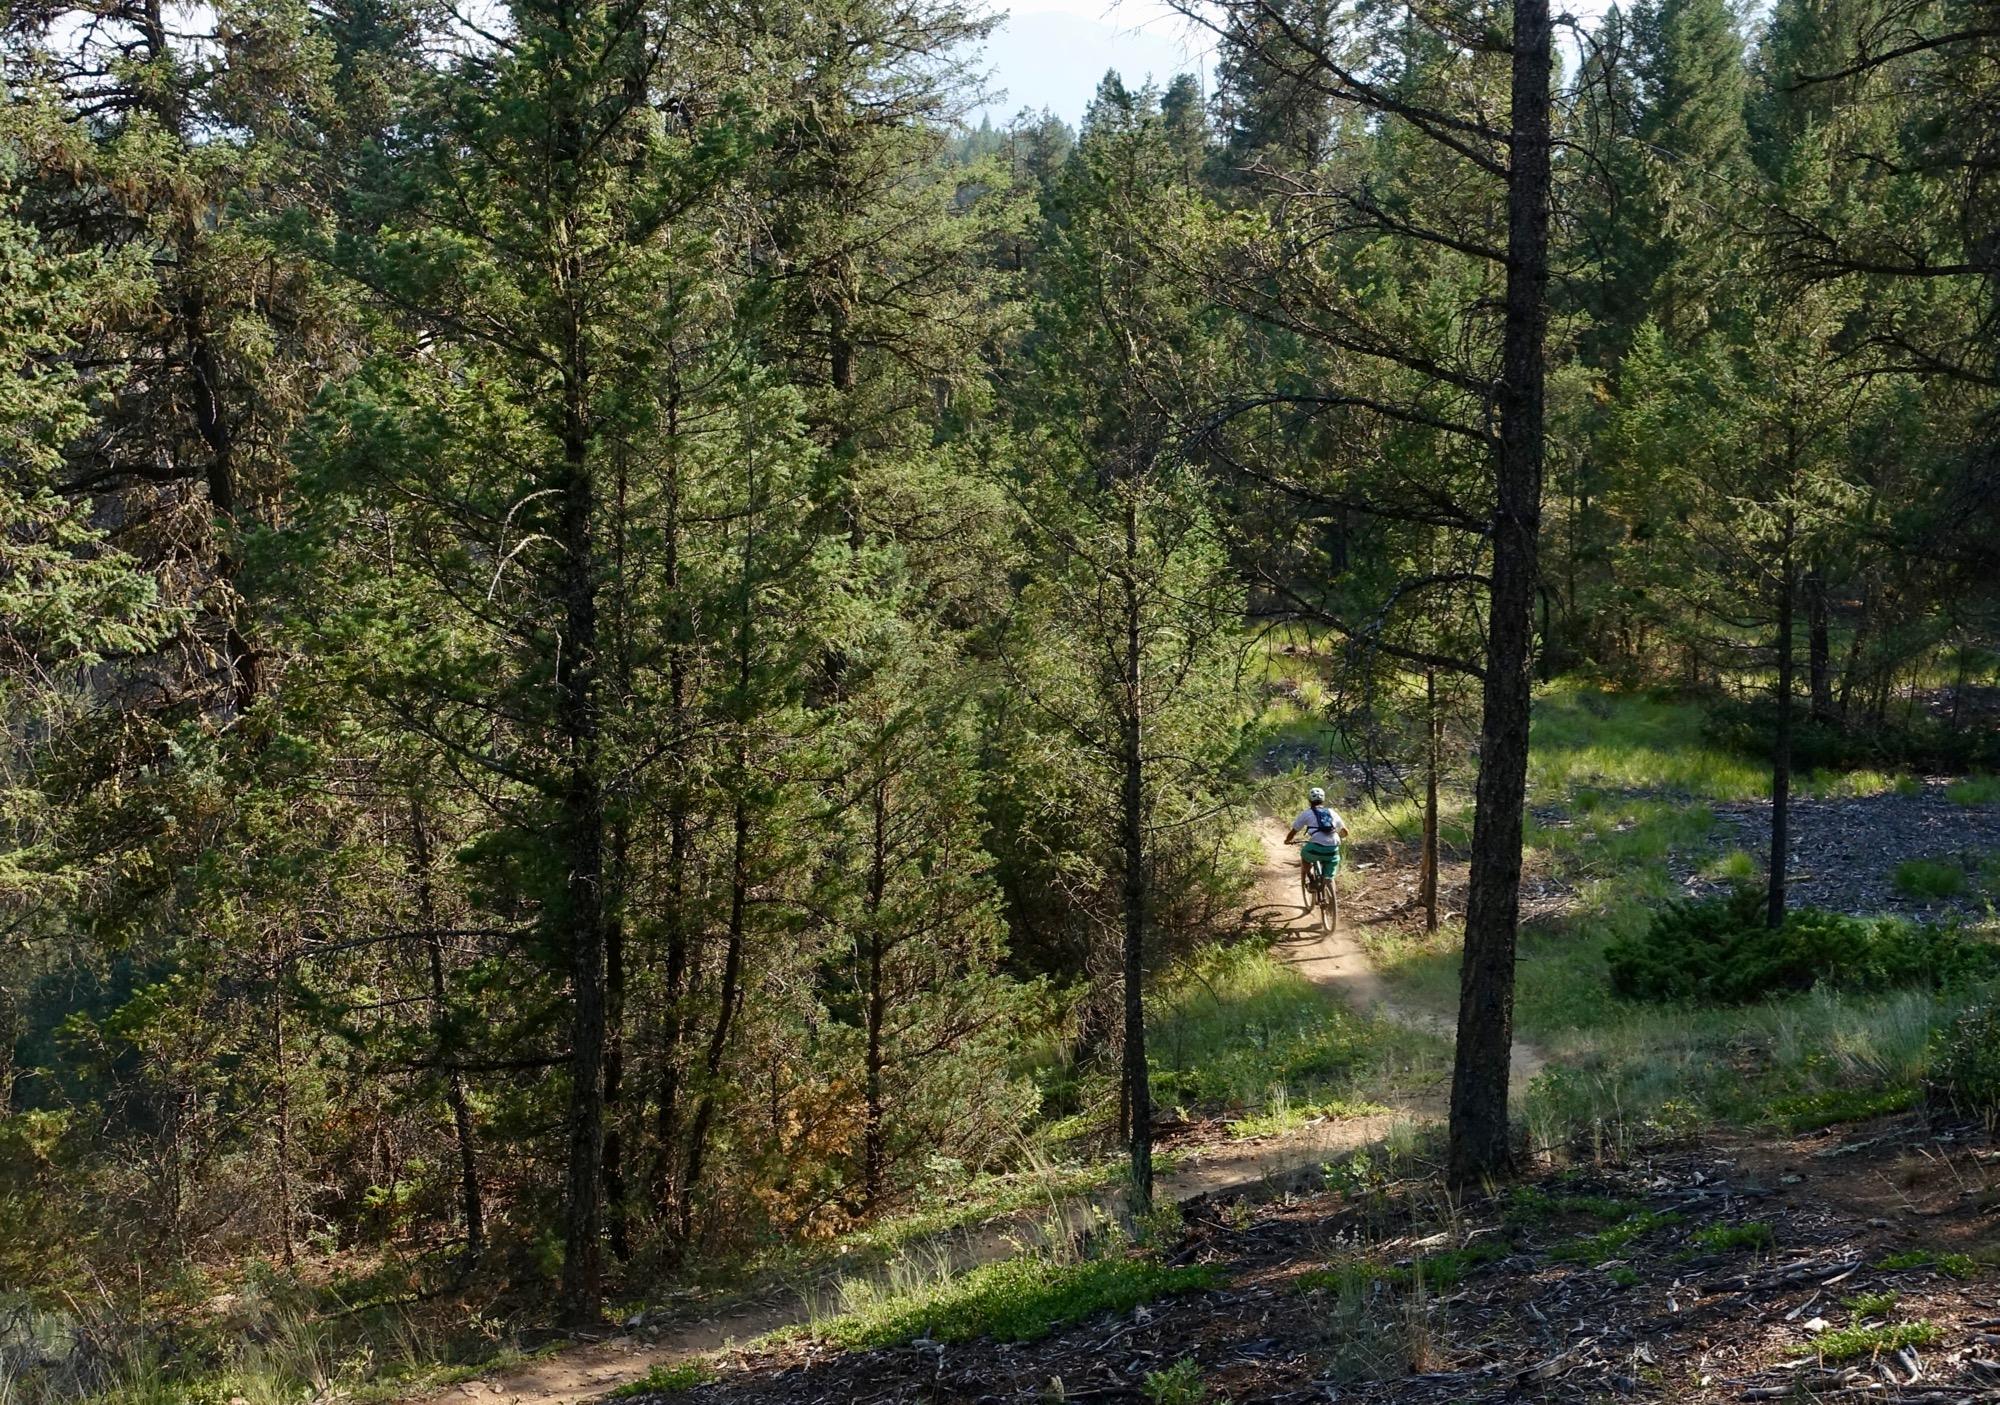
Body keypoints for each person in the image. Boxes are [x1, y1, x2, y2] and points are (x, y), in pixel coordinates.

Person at [1285, 786, 1348, 883]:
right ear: (1323, 799)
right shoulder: (1332, 812)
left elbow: (1294, 831)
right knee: (1331, 866)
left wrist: (1287, 840)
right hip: (1333, 848)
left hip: (1315, 847)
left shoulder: (1306, 813)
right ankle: (1328, 883)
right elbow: (1345, 832)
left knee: (1305, 856)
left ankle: (1311, 878)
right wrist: (1338, 838)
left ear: (1309, 800)